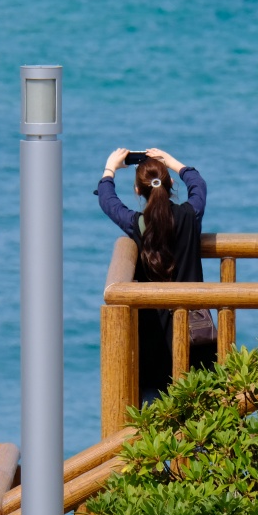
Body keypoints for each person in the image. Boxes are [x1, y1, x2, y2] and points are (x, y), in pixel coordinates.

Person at [96, 147, 215, 402]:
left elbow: (109, 202)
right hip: (195, 333)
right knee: (201, 409)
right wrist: (172, 161)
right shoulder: (189, 216)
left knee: (154, 413)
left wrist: (110, 168)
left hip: (155, 341)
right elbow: (198, 186)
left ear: (138, 191)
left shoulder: (138, 224)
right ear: (170, 183)